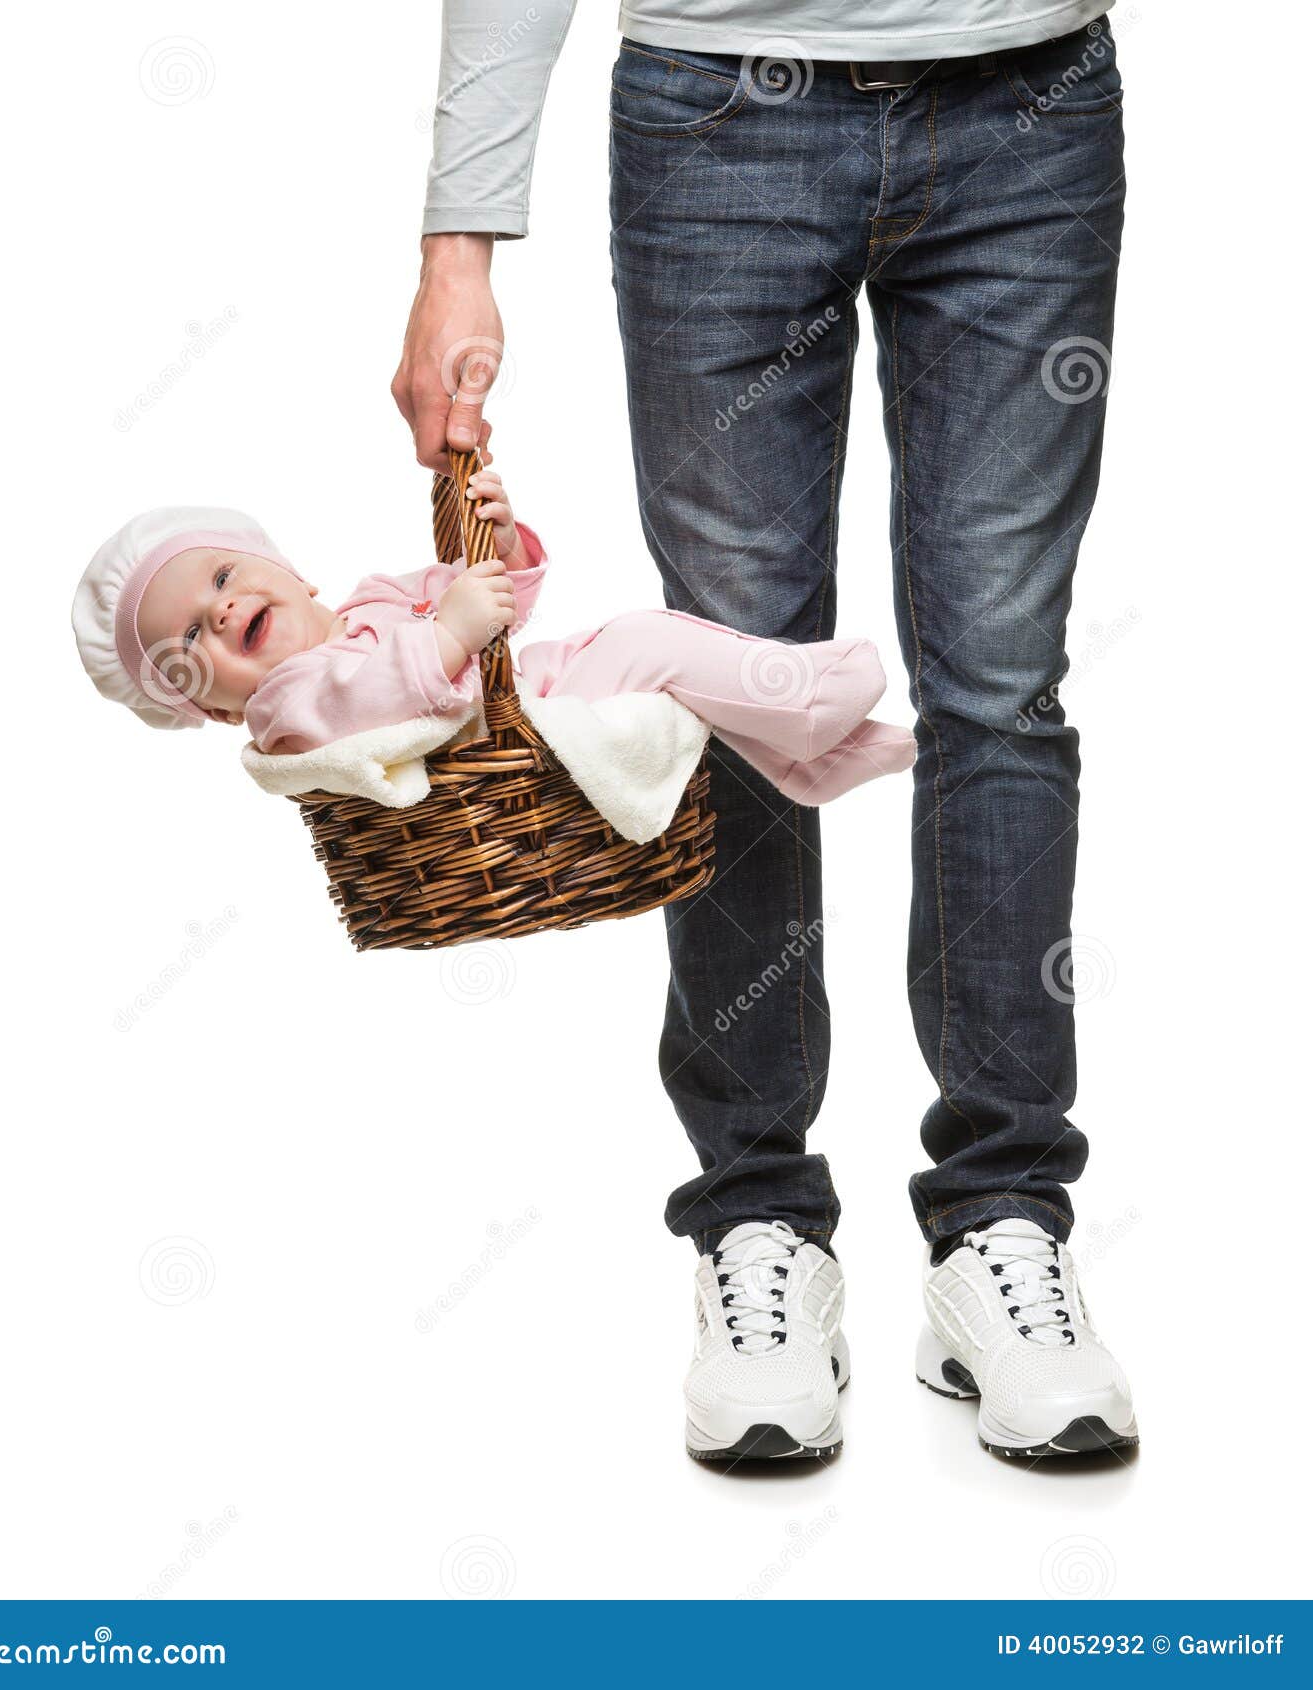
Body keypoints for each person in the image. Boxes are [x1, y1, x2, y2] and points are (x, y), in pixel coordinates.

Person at [392, 1, 1138, 1461]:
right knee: (729, 689)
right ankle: (757, 1225)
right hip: (715, 117)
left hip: (1029, 104)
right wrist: (456, 245)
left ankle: (1000, 1219)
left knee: (999, 686)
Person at [70, 466, 914, 806]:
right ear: (218, 712)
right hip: (514, 740)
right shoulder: (286, 709)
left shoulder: (374, 599)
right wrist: (446, 636)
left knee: (668, 685)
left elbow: (486, 602)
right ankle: (798, 705)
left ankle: (805, 762)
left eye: (222, 578)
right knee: (646, 642)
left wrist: (500, 550)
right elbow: (362, 702)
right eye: (188, 644)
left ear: (295, 575)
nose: (218, 613)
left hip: (536, 693)